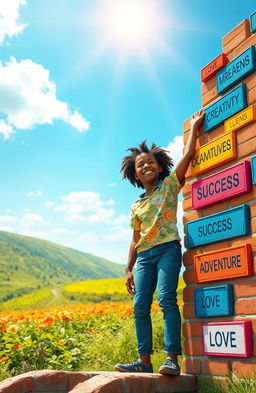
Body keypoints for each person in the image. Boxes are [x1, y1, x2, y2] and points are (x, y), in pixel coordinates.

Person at [114, 109, 205, 375]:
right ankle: (144, 362)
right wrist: (128, 268)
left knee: (166, 299)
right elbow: (134, 240)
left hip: (167, 250)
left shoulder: (169, 185)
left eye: (150, 162)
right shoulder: (137, 204)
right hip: (143, 257)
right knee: (139, 306)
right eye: (140, 166)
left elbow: (187, 156)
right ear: (136, 175)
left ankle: (171, 359)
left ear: (160, 165)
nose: (146, 166)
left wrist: (196, 127)